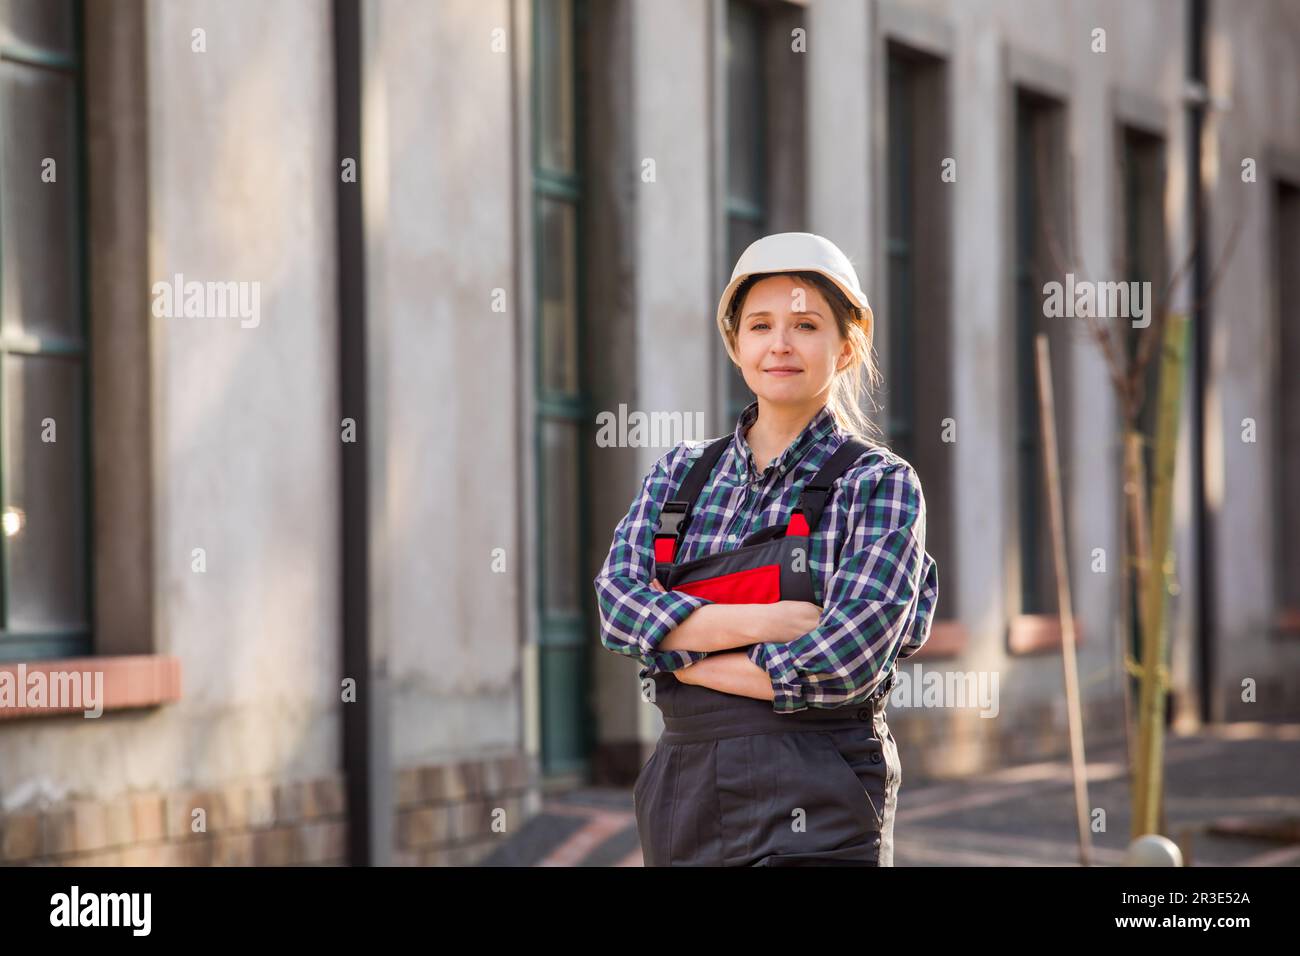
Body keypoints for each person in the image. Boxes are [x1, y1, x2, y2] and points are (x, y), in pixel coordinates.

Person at [594, 231, 939, 866]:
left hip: (822, 790)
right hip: (684, 794)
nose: (779, 344)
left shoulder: (879, 485)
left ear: (845, 347)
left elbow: (841, 662)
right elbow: (617, 607)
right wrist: (767, 623)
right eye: (760, 325)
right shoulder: (679, 476)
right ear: (736, 344)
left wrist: (674, 655)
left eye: (806, 324)